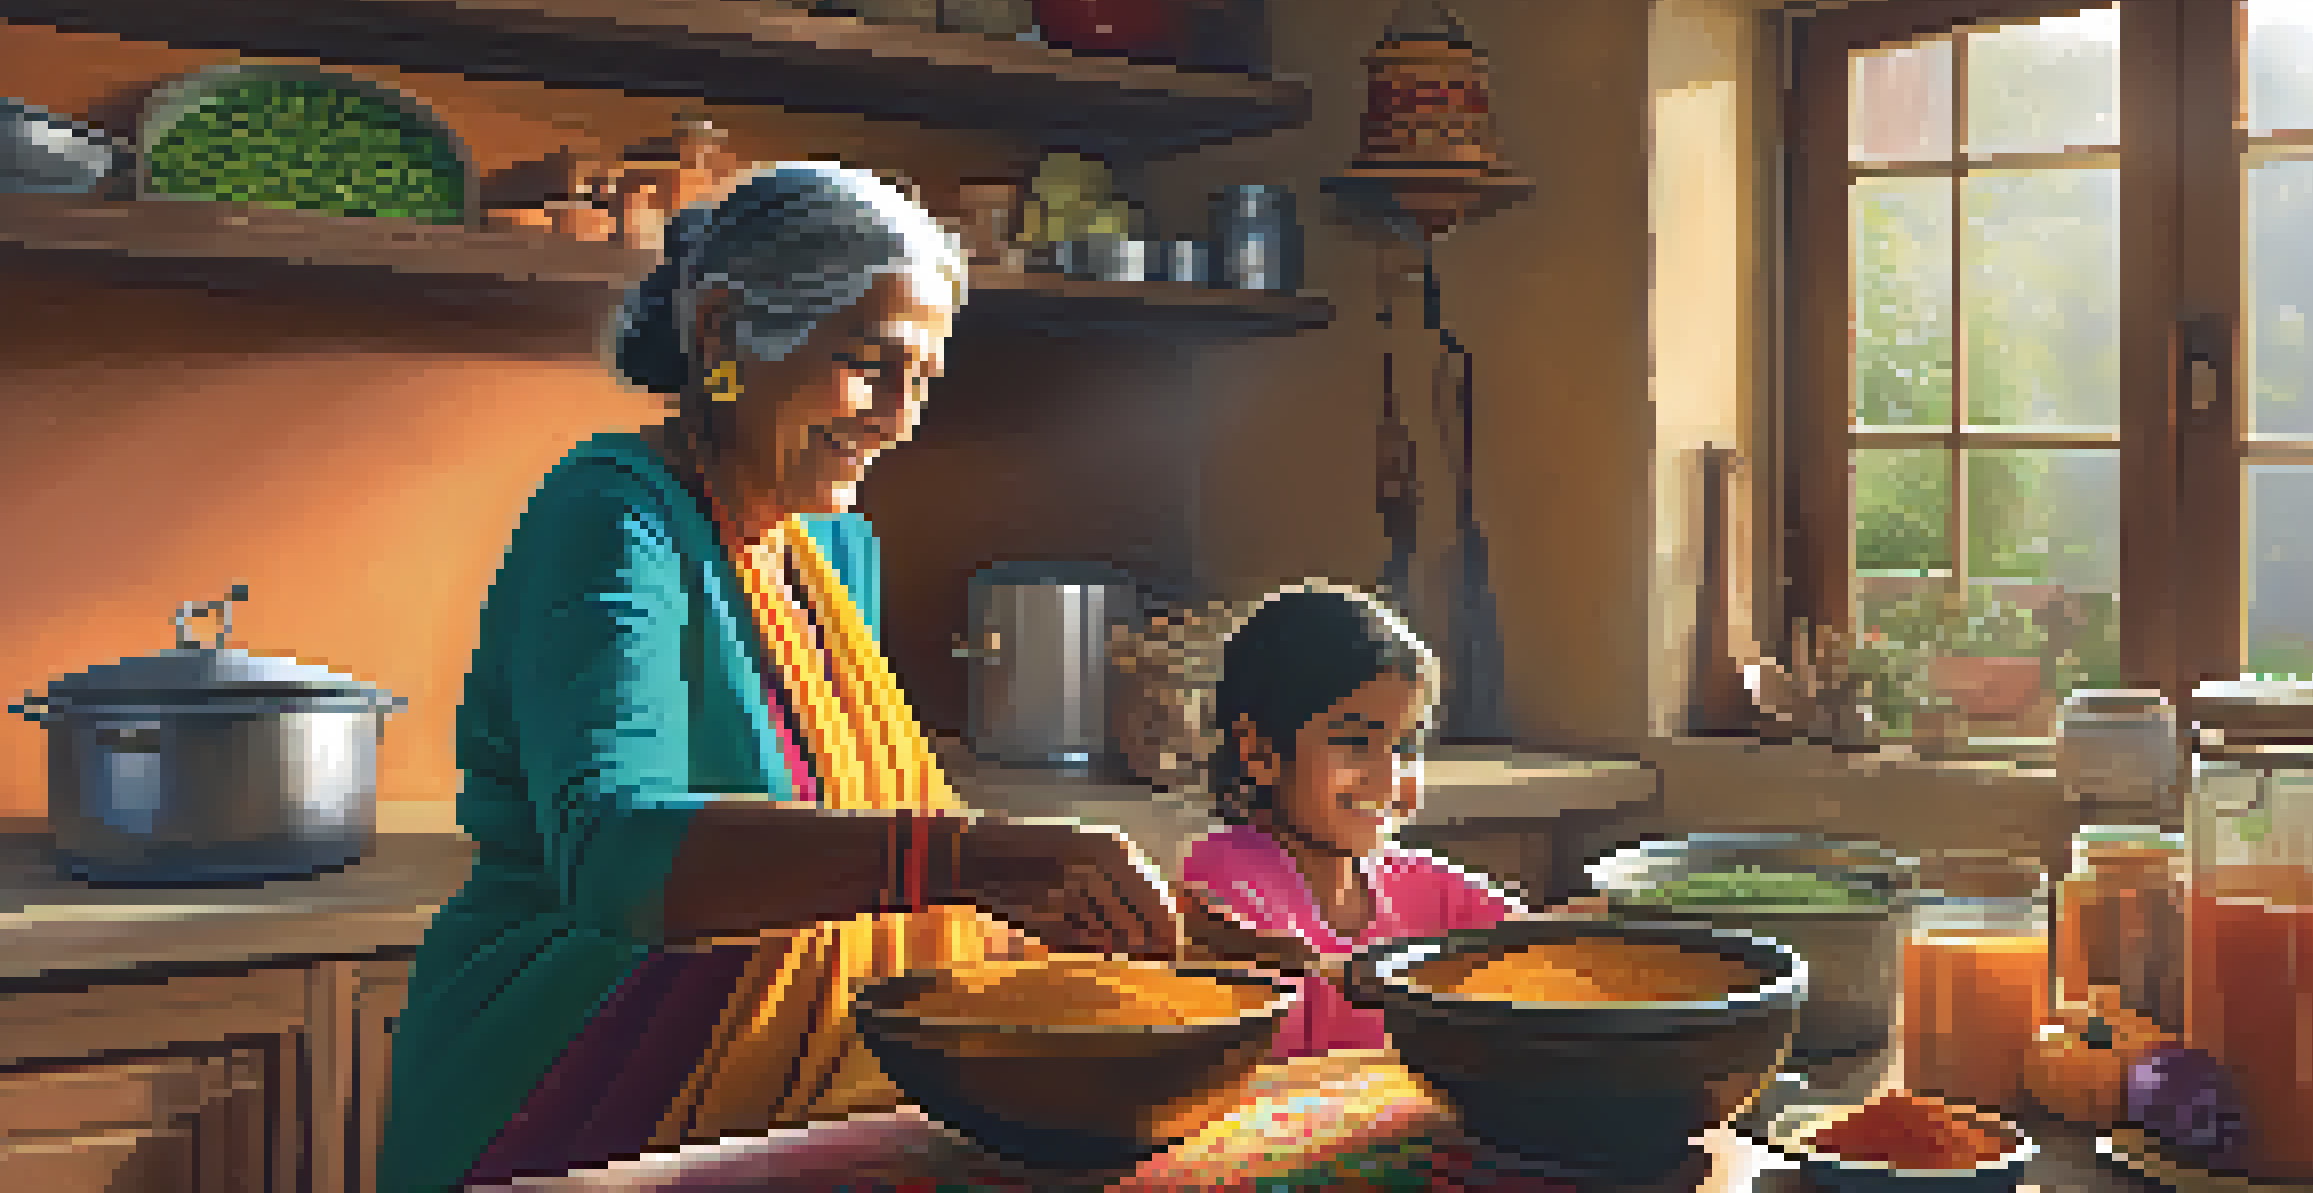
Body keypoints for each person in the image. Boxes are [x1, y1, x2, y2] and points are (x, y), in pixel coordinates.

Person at [377, 163, 1180, 1192]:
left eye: (923, 379)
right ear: (719, 332)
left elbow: (858, 822)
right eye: (865, 365)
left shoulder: (837, 553)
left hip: (788, 1114)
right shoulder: (614, 512)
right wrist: (974, 858)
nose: (897, 417)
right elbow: (617, 854)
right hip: (575, 1086)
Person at [1175, 583, 1607, 1059]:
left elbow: (1532, 952)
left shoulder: (1425, 886)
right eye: (1356, 742)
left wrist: (1597, 927)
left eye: (1405, 747)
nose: (1389, 777)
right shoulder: (1221, 882)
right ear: (1259, 752)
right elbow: (1275, 1034)